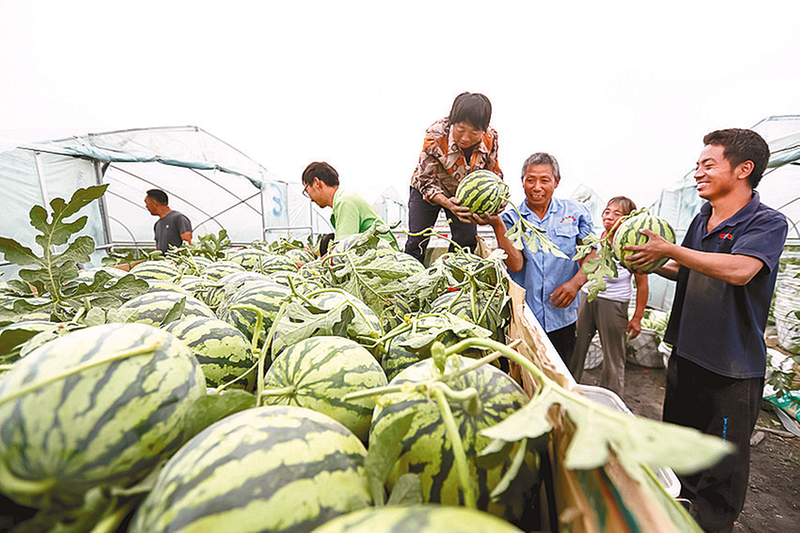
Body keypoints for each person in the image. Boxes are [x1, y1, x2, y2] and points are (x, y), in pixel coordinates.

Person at [624, 128, 787, 532]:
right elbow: (686, 269)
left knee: (720, 472)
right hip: (687, 354)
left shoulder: (767, 222)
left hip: (731, 370)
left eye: (707, 164)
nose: (697, 172)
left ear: (743, 169)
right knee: (680, 454)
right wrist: (648, 262)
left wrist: (670, 249)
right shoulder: (703, 217)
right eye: (697, 165)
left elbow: (741, 270)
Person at [475, 152, 593, 362]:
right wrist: (497, 225)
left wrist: (575, 284)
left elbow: (592, 252)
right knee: (526, 377)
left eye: (544, 180)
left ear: (556, 182)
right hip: (524, 318)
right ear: (522, 182)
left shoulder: (576, 212)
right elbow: (516, 264)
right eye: (530, 180)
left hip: (562, 318)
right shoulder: (510, 217)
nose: (536, 187)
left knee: (560, 374)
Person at [405, 92, 503, 263]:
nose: (466, 138)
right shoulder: (435, 134)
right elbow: (425, 179)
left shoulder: (490, 138)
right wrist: (446, 202)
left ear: (484, 129)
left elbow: (492, 174)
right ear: (452, 122)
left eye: (474, 132)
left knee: (465, 243)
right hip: (428, 190)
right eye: (460, 129)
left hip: (462, 195)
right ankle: (409, 282)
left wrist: (496, 203)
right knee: (417, 240)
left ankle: (453, 281)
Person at [570, 196, 649, 397]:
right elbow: (583, 267)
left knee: (613, 357)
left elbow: (642, 284)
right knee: (576, 350)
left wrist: (638, 317)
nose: (609, 217)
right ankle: (569, 391)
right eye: (607, 211)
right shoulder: (595, 238)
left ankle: (611, 401)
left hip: (614, 304)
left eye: (617, 213)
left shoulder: (632, 243)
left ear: (628, 219)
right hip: (587, 298)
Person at [302, 161, 399, 249]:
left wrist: (311, 265)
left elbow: (341, 252)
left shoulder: (345, 202)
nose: (310, 198)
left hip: (386, 258)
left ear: (316, 183)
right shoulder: (344, 199)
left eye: (306, 190)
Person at [145, 189, 192, 253]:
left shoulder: (179, 218)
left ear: (154, 203)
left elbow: (188, 246)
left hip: (176, 262)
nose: (146, 206)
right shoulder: (157, 224)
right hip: (162, 262)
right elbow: (158, 251)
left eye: (147, 203)